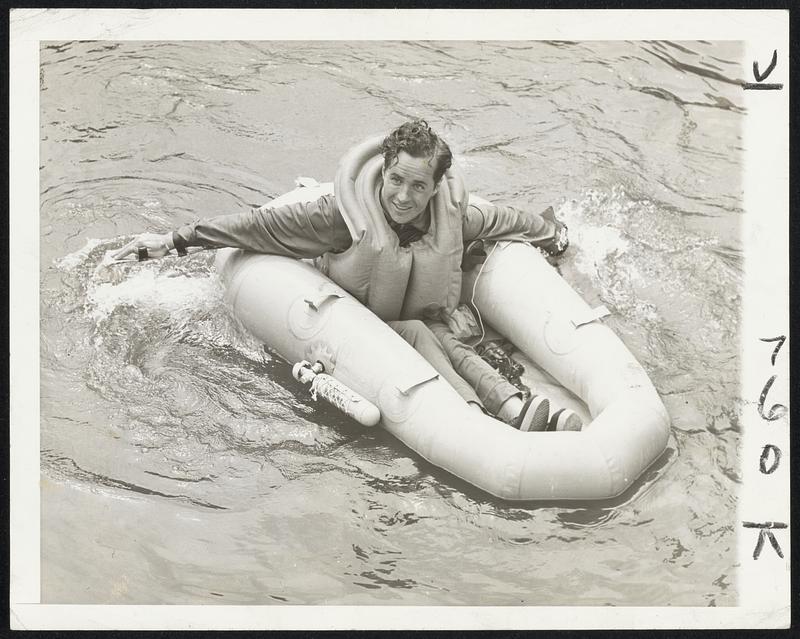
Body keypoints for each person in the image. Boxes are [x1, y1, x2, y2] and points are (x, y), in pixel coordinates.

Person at [113, 119, 581, 432]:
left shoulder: (453, 218)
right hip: (360, 323)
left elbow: (509, 220)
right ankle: (491, 415)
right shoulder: (343, 218)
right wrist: (176, 240)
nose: (403, 196)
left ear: (436, 187)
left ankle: (516, 407)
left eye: (419, 186)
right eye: (396, 180)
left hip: (424, 322)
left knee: (441, 335)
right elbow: (260, 227)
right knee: (422, 334)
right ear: (382, 173)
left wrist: (554, 235)